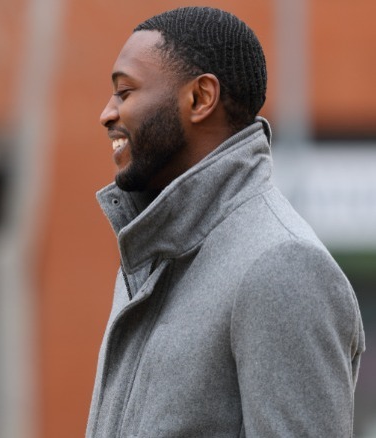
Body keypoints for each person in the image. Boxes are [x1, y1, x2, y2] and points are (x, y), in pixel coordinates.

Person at [87, 6, 365, 437]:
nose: (107, 114)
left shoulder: (282, 267)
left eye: (125, 92)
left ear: (200, 98)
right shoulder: (151, 259)